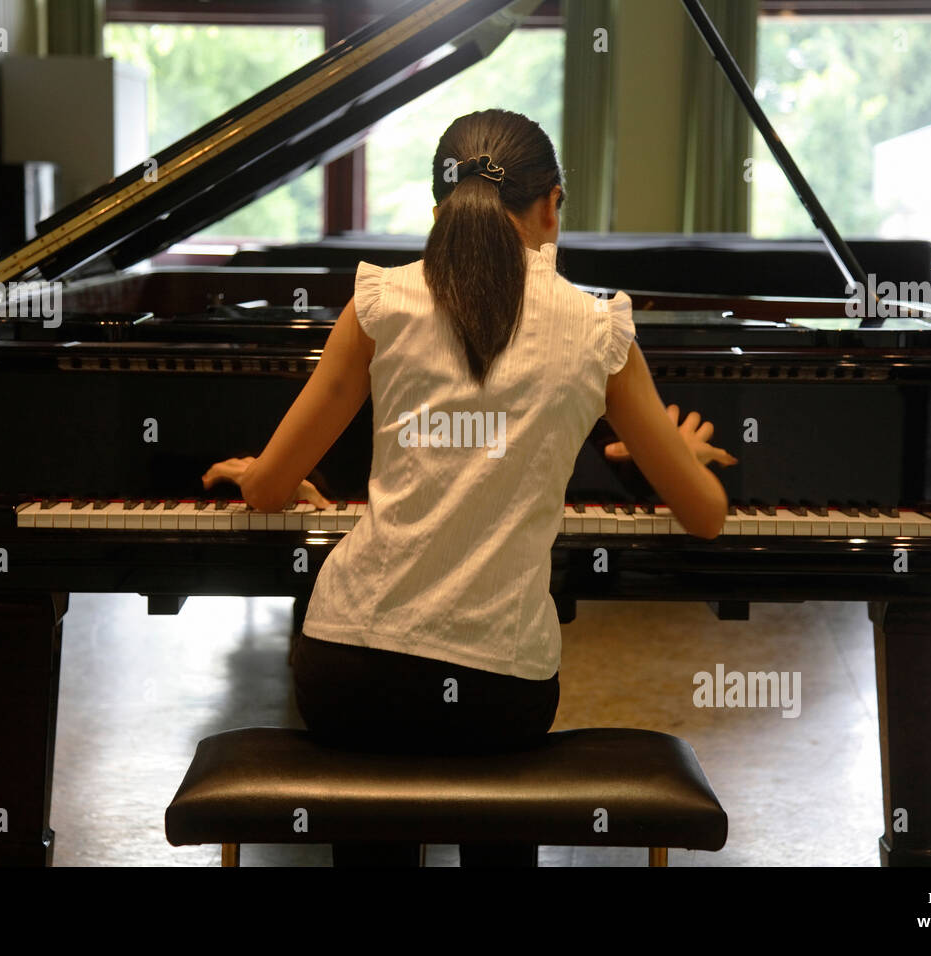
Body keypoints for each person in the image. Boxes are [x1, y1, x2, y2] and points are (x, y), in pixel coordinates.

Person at [202, 108, 736, 867]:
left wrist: (268, 479)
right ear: (553, 205)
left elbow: (266, 491)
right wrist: (673, 450)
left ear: (436, 209)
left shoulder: (379, 303)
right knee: (496, 800)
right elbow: (705, 515)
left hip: (349, 669)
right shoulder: (598, 330)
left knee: (375, 830)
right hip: (498, 690)